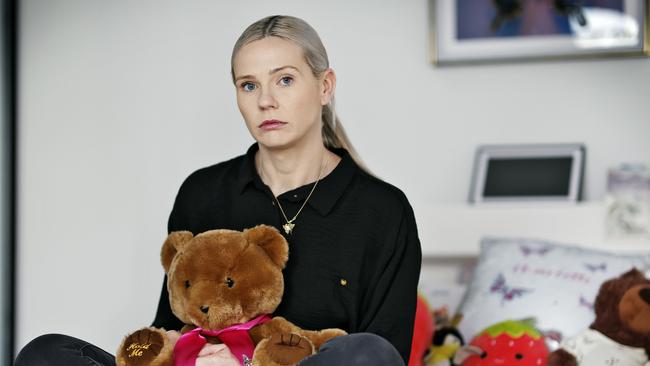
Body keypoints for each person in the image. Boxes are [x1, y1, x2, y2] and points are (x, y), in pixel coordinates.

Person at [15, 15, 421, 366]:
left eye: (284, 79)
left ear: (325, 86)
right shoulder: (202, 192)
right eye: (248, 85)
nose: (266, 101)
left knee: (369, 354)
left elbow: (384, 354)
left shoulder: (382, 210)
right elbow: (172, 325)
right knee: (45, 352)